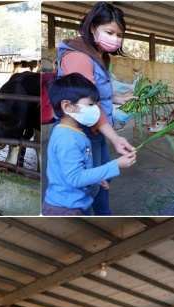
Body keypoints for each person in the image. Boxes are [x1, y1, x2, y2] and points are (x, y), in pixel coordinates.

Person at [55, 2, 136, 215]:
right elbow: (89, 104)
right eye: (110, 32)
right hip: (83, 131)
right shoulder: (79, 56)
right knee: (88, 185)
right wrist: (115, 138)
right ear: (93, 27)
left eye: (120, 35)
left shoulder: (98, 55)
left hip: (95, 130)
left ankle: (102, 215)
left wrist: (117, 98)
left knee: (101, 182)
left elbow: (96, 94)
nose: (116, 39)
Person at [42, 73, 135, 215]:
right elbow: (75, 178)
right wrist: (115, 165)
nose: (96, 110)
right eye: (90, 105)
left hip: (73, 202)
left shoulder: (74, 132)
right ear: (67, 106)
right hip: (65, 208)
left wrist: (96, 178)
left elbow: (77, 169)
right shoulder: (67, 139)